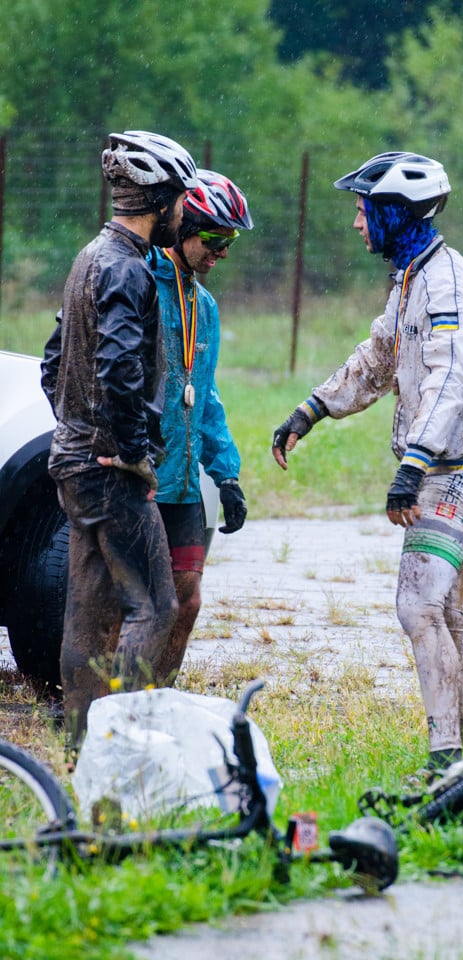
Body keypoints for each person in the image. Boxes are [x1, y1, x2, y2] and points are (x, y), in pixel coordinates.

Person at [272, 152, 463, 770]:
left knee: (418, 605)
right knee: (443, 606)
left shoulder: (447, 288)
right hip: (444, 464)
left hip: (459, 471)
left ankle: (442, 760)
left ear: (396, 214)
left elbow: (448, 380)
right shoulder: (412, 277)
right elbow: (380, 355)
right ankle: (453, 752)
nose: (356, 224)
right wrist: (312, 409)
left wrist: (412, 466)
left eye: (362, 210)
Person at [41, 130, 198, 751]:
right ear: (161, 201)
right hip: (110, 468)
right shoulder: (129, 268)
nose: (185, 211)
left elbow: (54, 362)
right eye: (181, 200)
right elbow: (118, 367)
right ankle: (125, 744)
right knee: (155, 607)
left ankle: (82, 745)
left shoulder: (89, 256)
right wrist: (131, 447)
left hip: (75, 461)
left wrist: (77, 428)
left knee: (88, 610)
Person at [148, 170, 252, 682]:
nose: (222, 253)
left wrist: (226, 474)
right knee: (141, 606)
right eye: (215, 238)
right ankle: (110, 706)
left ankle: (159, 698)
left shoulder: (205, 305)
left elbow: (205, 395)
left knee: (186, 605)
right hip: (139, 477)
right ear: (184, 222)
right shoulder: (142, 279)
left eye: (229, 241)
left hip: (185, 484)